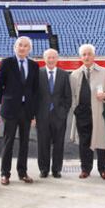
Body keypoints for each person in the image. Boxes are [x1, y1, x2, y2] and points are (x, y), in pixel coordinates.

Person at [69, 44, 105, 180]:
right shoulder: (74, 75)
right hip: (82, 114)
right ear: (81, 57)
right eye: (84, 54)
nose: (87, 57)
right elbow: (72, 95)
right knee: (84, 142)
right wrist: (75, 109)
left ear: (94, 55)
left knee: (101, 142)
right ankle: (85, 169)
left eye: (89, 54)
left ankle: (104, 170)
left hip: (99, 113)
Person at [0, 36, 39, 185]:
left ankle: (22, 172)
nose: (22, 48)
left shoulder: (34, 65)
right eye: (20, 45)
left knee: (25, 143)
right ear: (15, 47)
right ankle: (5, 173)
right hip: (10, 110)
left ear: (30, 49)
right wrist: (5, 102)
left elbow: (34, 91)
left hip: (26, 110)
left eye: (26, 46)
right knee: (8, 142)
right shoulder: (7, 63)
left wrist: (33, 113)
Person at [36, 49, 72, 178]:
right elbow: (35, 96)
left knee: (59, 143)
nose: (51, 60)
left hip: (59, 116)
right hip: (42, 116)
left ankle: (57, 169)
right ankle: (43, 169)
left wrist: (63, 112)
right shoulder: (38, 73)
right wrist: (35, 115)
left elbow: (68, 97)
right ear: (44, 59)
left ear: (57, 59)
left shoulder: (64, 74)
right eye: (48, 57)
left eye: (53, 57)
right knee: (43, 143)